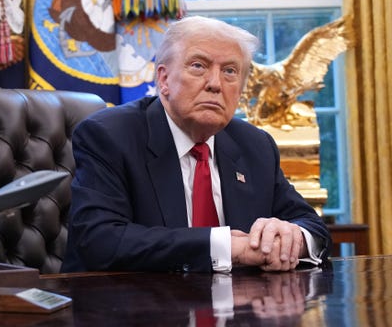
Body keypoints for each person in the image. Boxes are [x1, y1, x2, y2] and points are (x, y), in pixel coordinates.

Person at [62, 16, 330, 274]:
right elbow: (100, 241)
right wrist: (227, 247)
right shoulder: (109, 136)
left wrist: (291, 238)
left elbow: (314, 228)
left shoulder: (255, 145)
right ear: (164, 80)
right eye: (199, 66)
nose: (215, 84)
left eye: (229, 71)